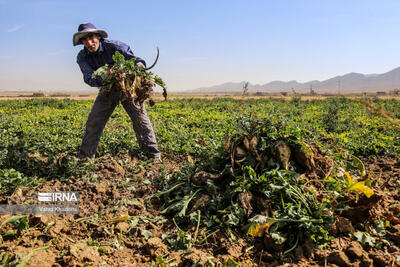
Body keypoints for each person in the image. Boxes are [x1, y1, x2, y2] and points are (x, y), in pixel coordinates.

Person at [73, 22, 161, 160]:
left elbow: (135, 60)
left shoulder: (115, 46)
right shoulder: (82, 57)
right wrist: (107, 77)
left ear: (98, 36)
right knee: (94, 121)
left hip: (126, 88)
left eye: (91, 37)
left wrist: (139, 65)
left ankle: (153, 156)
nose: (89, 43)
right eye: (85, 40)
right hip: (107, 89)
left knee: (140, 119)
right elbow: (89, 78)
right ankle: (85, 158)